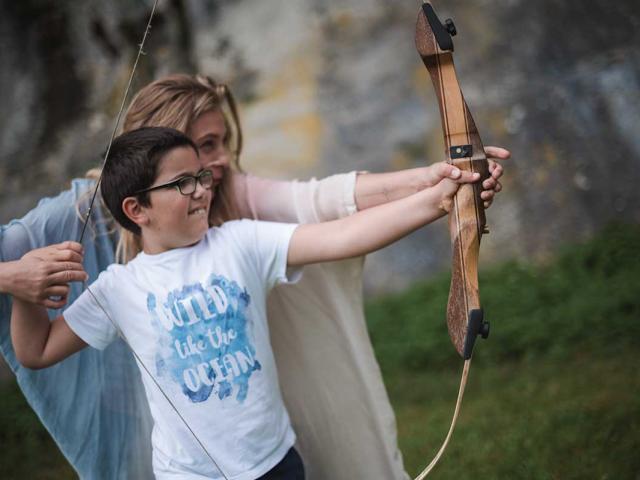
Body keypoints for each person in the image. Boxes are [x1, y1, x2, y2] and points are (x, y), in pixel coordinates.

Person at [0, 74, 508, 479]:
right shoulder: (113, 281)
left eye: (205, 171)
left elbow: (342, 231)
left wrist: (441, 194)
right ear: (137, 208)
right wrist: (23, 288)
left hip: (275, 464)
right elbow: (36, 351)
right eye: (187, 177)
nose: (205, 183)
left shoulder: (239, 238)